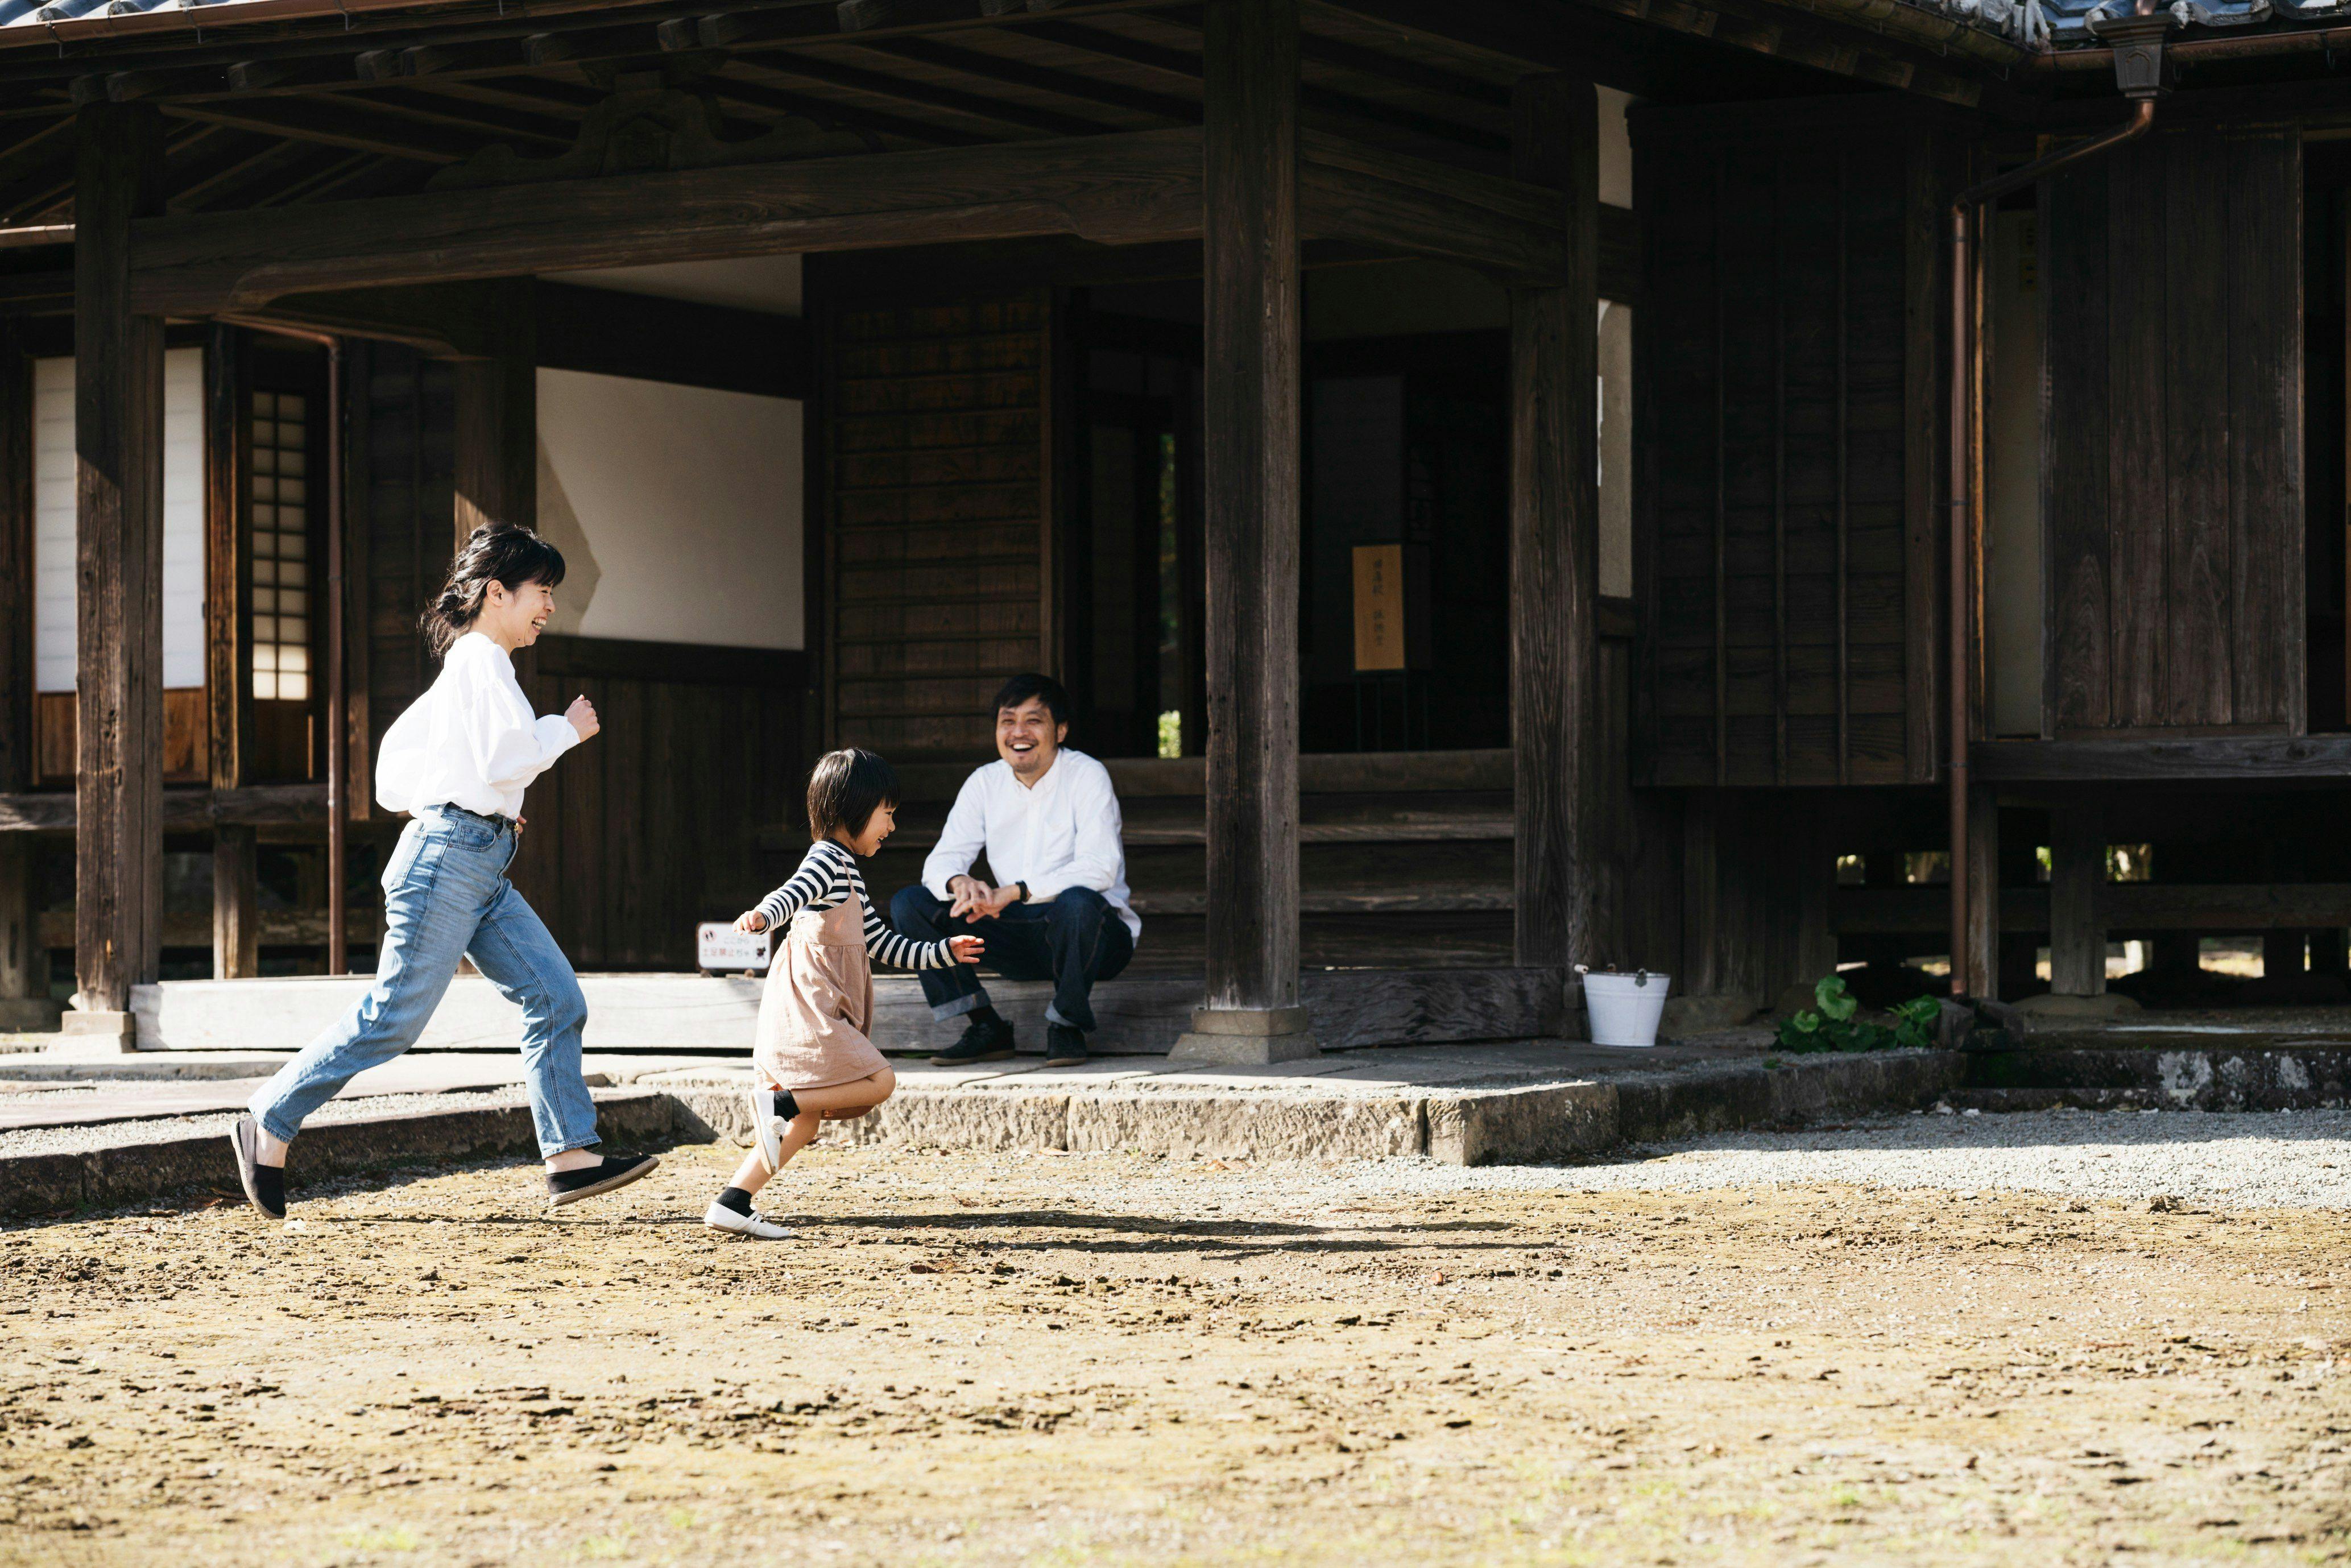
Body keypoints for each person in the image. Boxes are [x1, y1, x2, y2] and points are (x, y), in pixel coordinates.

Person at [229, 525, 659, 1221]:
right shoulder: (482, 662)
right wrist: (566, 730)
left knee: (555, 997)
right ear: (498, 593)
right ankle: (267, 1120)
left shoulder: (470, 667)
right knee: (392, 1021)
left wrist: (487, 812)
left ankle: (571, 1158)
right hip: (448, 864)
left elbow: (401, 771)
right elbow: (503, 759)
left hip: (476, 859)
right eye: (541, 592)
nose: (548, 606)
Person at [706, 748, 984, 1239]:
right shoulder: (827, 860)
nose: (891, 826)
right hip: (810, 1005)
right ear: (854, 808)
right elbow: (792, 892)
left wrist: (943, 951)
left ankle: (734, 1200)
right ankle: (783, 1103)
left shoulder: (849, 869)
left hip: (818, 1002)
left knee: (807, 1122)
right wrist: (763, 917)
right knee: (879, 1080)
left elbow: (882, 944)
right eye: (887, 813)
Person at [889, 673, 1140, 1069]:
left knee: (1078, 901)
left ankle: (1067, 1024)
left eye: (1033, 720)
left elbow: (1100, 867)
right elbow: (940, 861)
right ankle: (986, 1026)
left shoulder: (1087, 775)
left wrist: (1017, 890)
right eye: (1008, 721)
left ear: (1060, 730)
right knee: (910, 903)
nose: (1018, 732)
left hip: (1094, 938)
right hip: (1015, 933)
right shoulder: (984, 782)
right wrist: (961, 882)